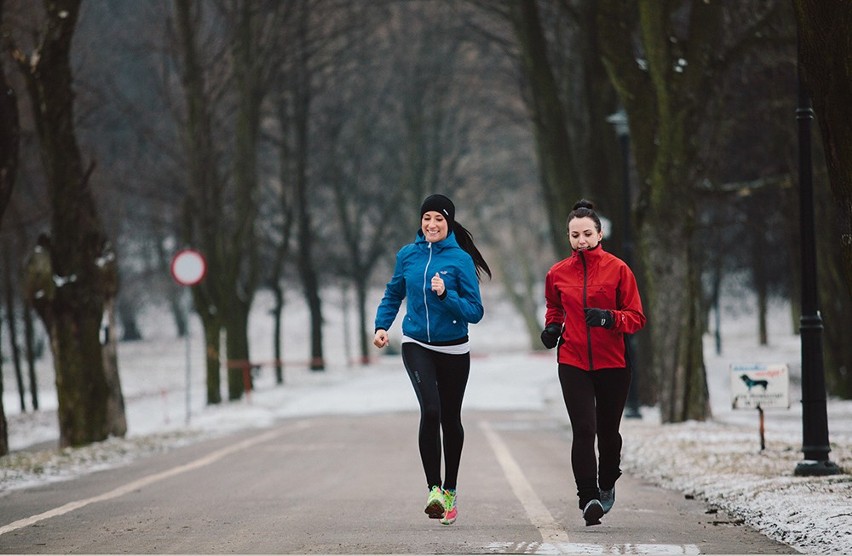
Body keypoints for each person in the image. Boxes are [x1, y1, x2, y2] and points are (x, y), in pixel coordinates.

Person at [373, 194, 491, 526]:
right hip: (416, 343)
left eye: (439, 218)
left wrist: (446, 294)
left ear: (448, 222)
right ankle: (433, 491)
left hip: (454, 348)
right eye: (427, 218)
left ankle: (451, 489)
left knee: (450, 418)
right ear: (420, 221)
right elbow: (394, 293)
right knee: (432, 410)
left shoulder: (460, 260)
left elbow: (475, 311)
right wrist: (382, 326)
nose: (432, 224)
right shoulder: (407, 256)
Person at [540, 199, 646, 526]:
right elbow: (555, 308)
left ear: (599, 233)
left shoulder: (619, 269)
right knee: (584, 429)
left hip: (613, 362)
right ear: (568, 237)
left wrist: (608, 318)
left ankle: (607, 480)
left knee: (607, 431)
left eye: (587, 233)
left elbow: (636, 317)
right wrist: (552, 328)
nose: (581, 240)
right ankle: (588, 499)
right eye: (575, 235)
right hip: (572, 360)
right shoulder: (557, 273)